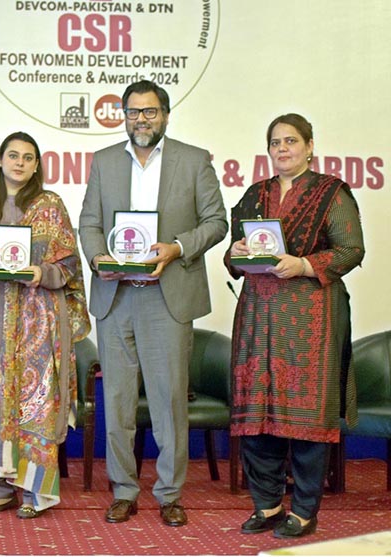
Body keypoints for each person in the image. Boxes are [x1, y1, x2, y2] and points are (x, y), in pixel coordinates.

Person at [78, 80, 227, 527]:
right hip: (116, 295)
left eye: (150, 111)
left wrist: (178, 247)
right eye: (133, 112)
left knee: (168, 404)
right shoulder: (104, 161)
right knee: (118, 403)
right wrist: (97, 256)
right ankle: (123, 490)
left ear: (165, 114)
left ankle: (169, 493)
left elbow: (216, 222)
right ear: (123, 115)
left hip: (167, 297)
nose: (141, 119)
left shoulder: (194, 160)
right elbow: (89, 222)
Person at [225, 114, 365, 539]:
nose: (282, 149)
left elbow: (351, 250)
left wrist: (303, 264)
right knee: (256, 417)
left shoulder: (331, 193)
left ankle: (303, 511)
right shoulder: (254, 195)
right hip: (257, 318)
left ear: (309, 146)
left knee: (306, 418)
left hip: (310, 320)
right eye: (275, 142)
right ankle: (266, 505)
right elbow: (234, 259)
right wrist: (235, 250)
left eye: (291, 141)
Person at [0, 132, 91, 518]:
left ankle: (36, 492)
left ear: (37, 165)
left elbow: (70, 265)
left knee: (34, 402)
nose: (19, 162)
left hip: (38, 318)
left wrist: (40, 272)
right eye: (13, 155)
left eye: (28, 157)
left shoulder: (50, 205)